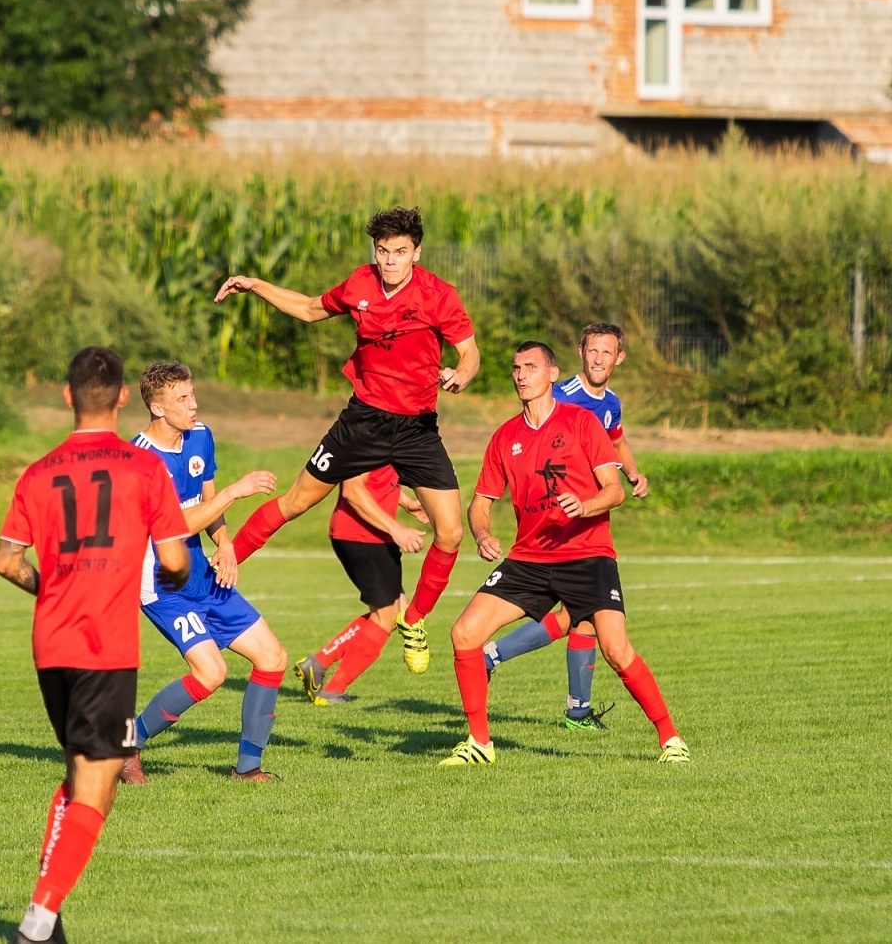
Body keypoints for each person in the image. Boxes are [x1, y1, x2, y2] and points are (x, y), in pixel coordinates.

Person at [214, 206, 480, 675]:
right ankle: (218, 570)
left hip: (416, 428)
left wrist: (460, 375)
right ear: (374, 252)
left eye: (400, 252)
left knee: (452, 531)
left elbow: (470, 352)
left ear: (417, 252)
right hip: (361, 423)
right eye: (383, 252)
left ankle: (413, 620)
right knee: (295, 502)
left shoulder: (440, 296)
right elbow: (310, 308)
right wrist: (256, 285)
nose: (391, 261)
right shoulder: (359, 285)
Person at [0, 347, 193, 944]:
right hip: (105, 646)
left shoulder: (38, 471)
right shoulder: (144, 469)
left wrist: (50, 585)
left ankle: (47, 921)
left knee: (82, 771)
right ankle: (39, 916)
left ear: (66, 396)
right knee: (98, 782)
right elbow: (176, 560)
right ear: (125, 397)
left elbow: (7, 560)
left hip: (50, 642)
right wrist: (178, 577)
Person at [438, 341, 689, 767]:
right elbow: (479, 504)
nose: (521, 375)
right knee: (463, 633)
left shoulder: (581, 423)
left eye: (531, 367)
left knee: (616, 650)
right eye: (516, 368)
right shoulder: (505, 437)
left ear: (553, 374)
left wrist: (585, 506)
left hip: (587, 554)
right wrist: (482, 535)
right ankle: (479, 743)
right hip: (530, 558)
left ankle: (671, 739)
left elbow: (614, 492)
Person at [123, 361, 288, 783]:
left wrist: (226, 544)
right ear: (157, 409)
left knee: (272, 656)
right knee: (212, 672)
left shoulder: (201, 437)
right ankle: (127, 745)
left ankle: (247, 769)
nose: (193, 405)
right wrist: (238, 490)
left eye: (192, 395)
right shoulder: (138, 459)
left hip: (203, 576)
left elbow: (206, 502)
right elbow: (174, 527)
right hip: (163, 585)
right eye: (181, 399)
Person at [482, 322, 650, 731]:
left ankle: (577, 707)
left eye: (606, 353)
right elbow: (536, 431)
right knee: (580, 615)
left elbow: (617, 439)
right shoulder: (560, 397)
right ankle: (496, 656)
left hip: (589, 519)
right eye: (592, 351)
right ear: (580, 352)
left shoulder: (609, 402)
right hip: (557, 528)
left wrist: (632, 473)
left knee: (583, 617)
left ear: (618, 358)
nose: (598, 359)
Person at [294, 467, 429, 704]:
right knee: (387, 616)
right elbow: (352, 491)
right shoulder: (367, 436)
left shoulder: (389, 437)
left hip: (374, 537)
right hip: (362, 536)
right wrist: (397, 529)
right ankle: (333, 688)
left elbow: (379, 482)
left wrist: (406, 502)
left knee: (397, 612)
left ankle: (318, 663)